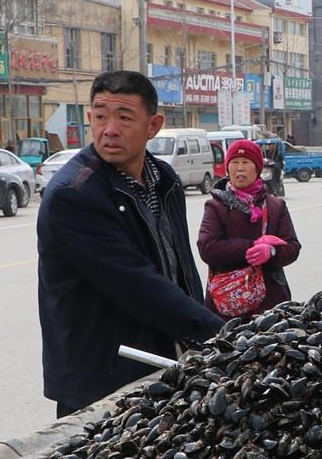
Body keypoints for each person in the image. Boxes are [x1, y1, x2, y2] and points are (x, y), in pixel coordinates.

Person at [37, 71, 222, 418]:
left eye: (124, 118)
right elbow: (137, 283)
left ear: (153, 125)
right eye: (101, 116)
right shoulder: (74, 196)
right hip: (99, 380)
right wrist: (221, 334)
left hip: (159, 365)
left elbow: (180, 267)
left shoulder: (164, 179)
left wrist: (204, 339)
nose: (110, 129)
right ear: (90, 118)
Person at [198, 139, 301, 314]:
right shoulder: (215, 206)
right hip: (226, 302)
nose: (240, 168)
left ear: (258, 169)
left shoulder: (276, 206)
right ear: (227, 168)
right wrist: (251, 247)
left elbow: (292, 247)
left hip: (271, 302)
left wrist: (271, 252)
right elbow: (207, 248)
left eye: (246, 162)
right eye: (234, 163)